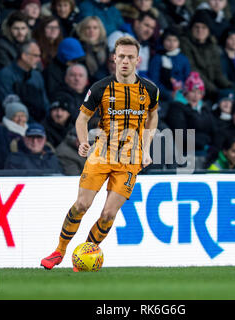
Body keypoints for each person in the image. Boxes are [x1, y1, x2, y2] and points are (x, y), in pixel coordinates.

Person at [40, 35, 159, 270]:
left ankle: (84, 254)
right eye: (121, 56)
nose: (125, 61)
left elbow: (153, 116)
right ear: (114, 58)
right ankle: (59, 251)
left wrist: (146, 149)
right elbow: (82, 119)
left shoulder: (150, 90)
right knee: (82, 205)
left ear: (138, 59)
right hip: (101, 154)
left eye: (130, 57)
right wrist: (83, 142)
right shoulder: (100, 88)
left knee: (108, 214)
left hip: (130, 159)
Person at [0, 40, 50, 122]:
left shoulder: (37, 76)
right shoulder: (5, 75)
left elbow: (45, 103)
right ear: (24, 56)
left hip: (40, 124)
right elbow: (9, 105)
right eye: (36, 56)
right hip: (15, 122)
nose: (39, 59)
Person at [148, 27, 191, 103]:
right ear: (163, 41)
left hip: (182, 93)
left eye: (175, 40)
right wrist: (168, 94)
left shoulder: (183, 59)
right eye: (168, 40)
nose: (171, 44)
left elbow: (187, 78)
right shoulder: (157, 58)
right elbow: (154, 81)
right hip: (163, 96)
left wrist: (183, 88)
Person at [75, 16, 110, 83]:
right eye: (88, 28)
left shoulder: (106, 48)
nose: (91, 31)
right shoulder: (78, 48)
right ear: (83, 30)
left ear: (100, 30)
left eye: (95, 28)